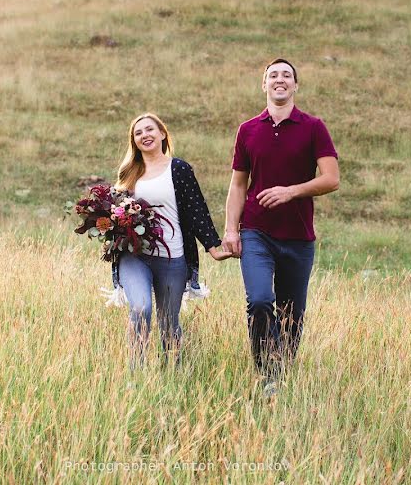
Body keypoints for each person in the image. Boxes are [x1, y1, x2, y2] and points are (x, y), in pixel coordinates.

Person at [223, 59, 340, 392]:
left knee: (292, 316)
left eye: (286, 75)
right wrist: (232, 229)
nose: (280, 80)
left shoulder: (314, 127)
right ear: (264, 85)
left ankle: (281, 374)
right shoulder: (248, 129)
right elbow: (237, 185)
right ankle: (266, 376)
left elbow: (332, 179)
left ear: (295, 86)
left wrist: (292, 191)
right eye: (273, 75)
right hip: (256, 231)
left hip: (299, 236)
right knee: (260, 301)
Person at [112, 113, 231, 365]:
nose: (145, 135)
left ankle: (172, 375)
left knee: (168, 323)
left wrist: (213, 246)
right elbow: (117, 211)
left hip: (172, 258)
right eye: (138, 132)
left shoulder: (179, 169)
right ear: (134, 141)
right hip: (135, 256)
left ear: (163, 134)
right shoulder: (129, 173)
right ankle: (136, 373)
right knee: (140, 308)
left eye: (149, 130)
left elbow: (196, 209)